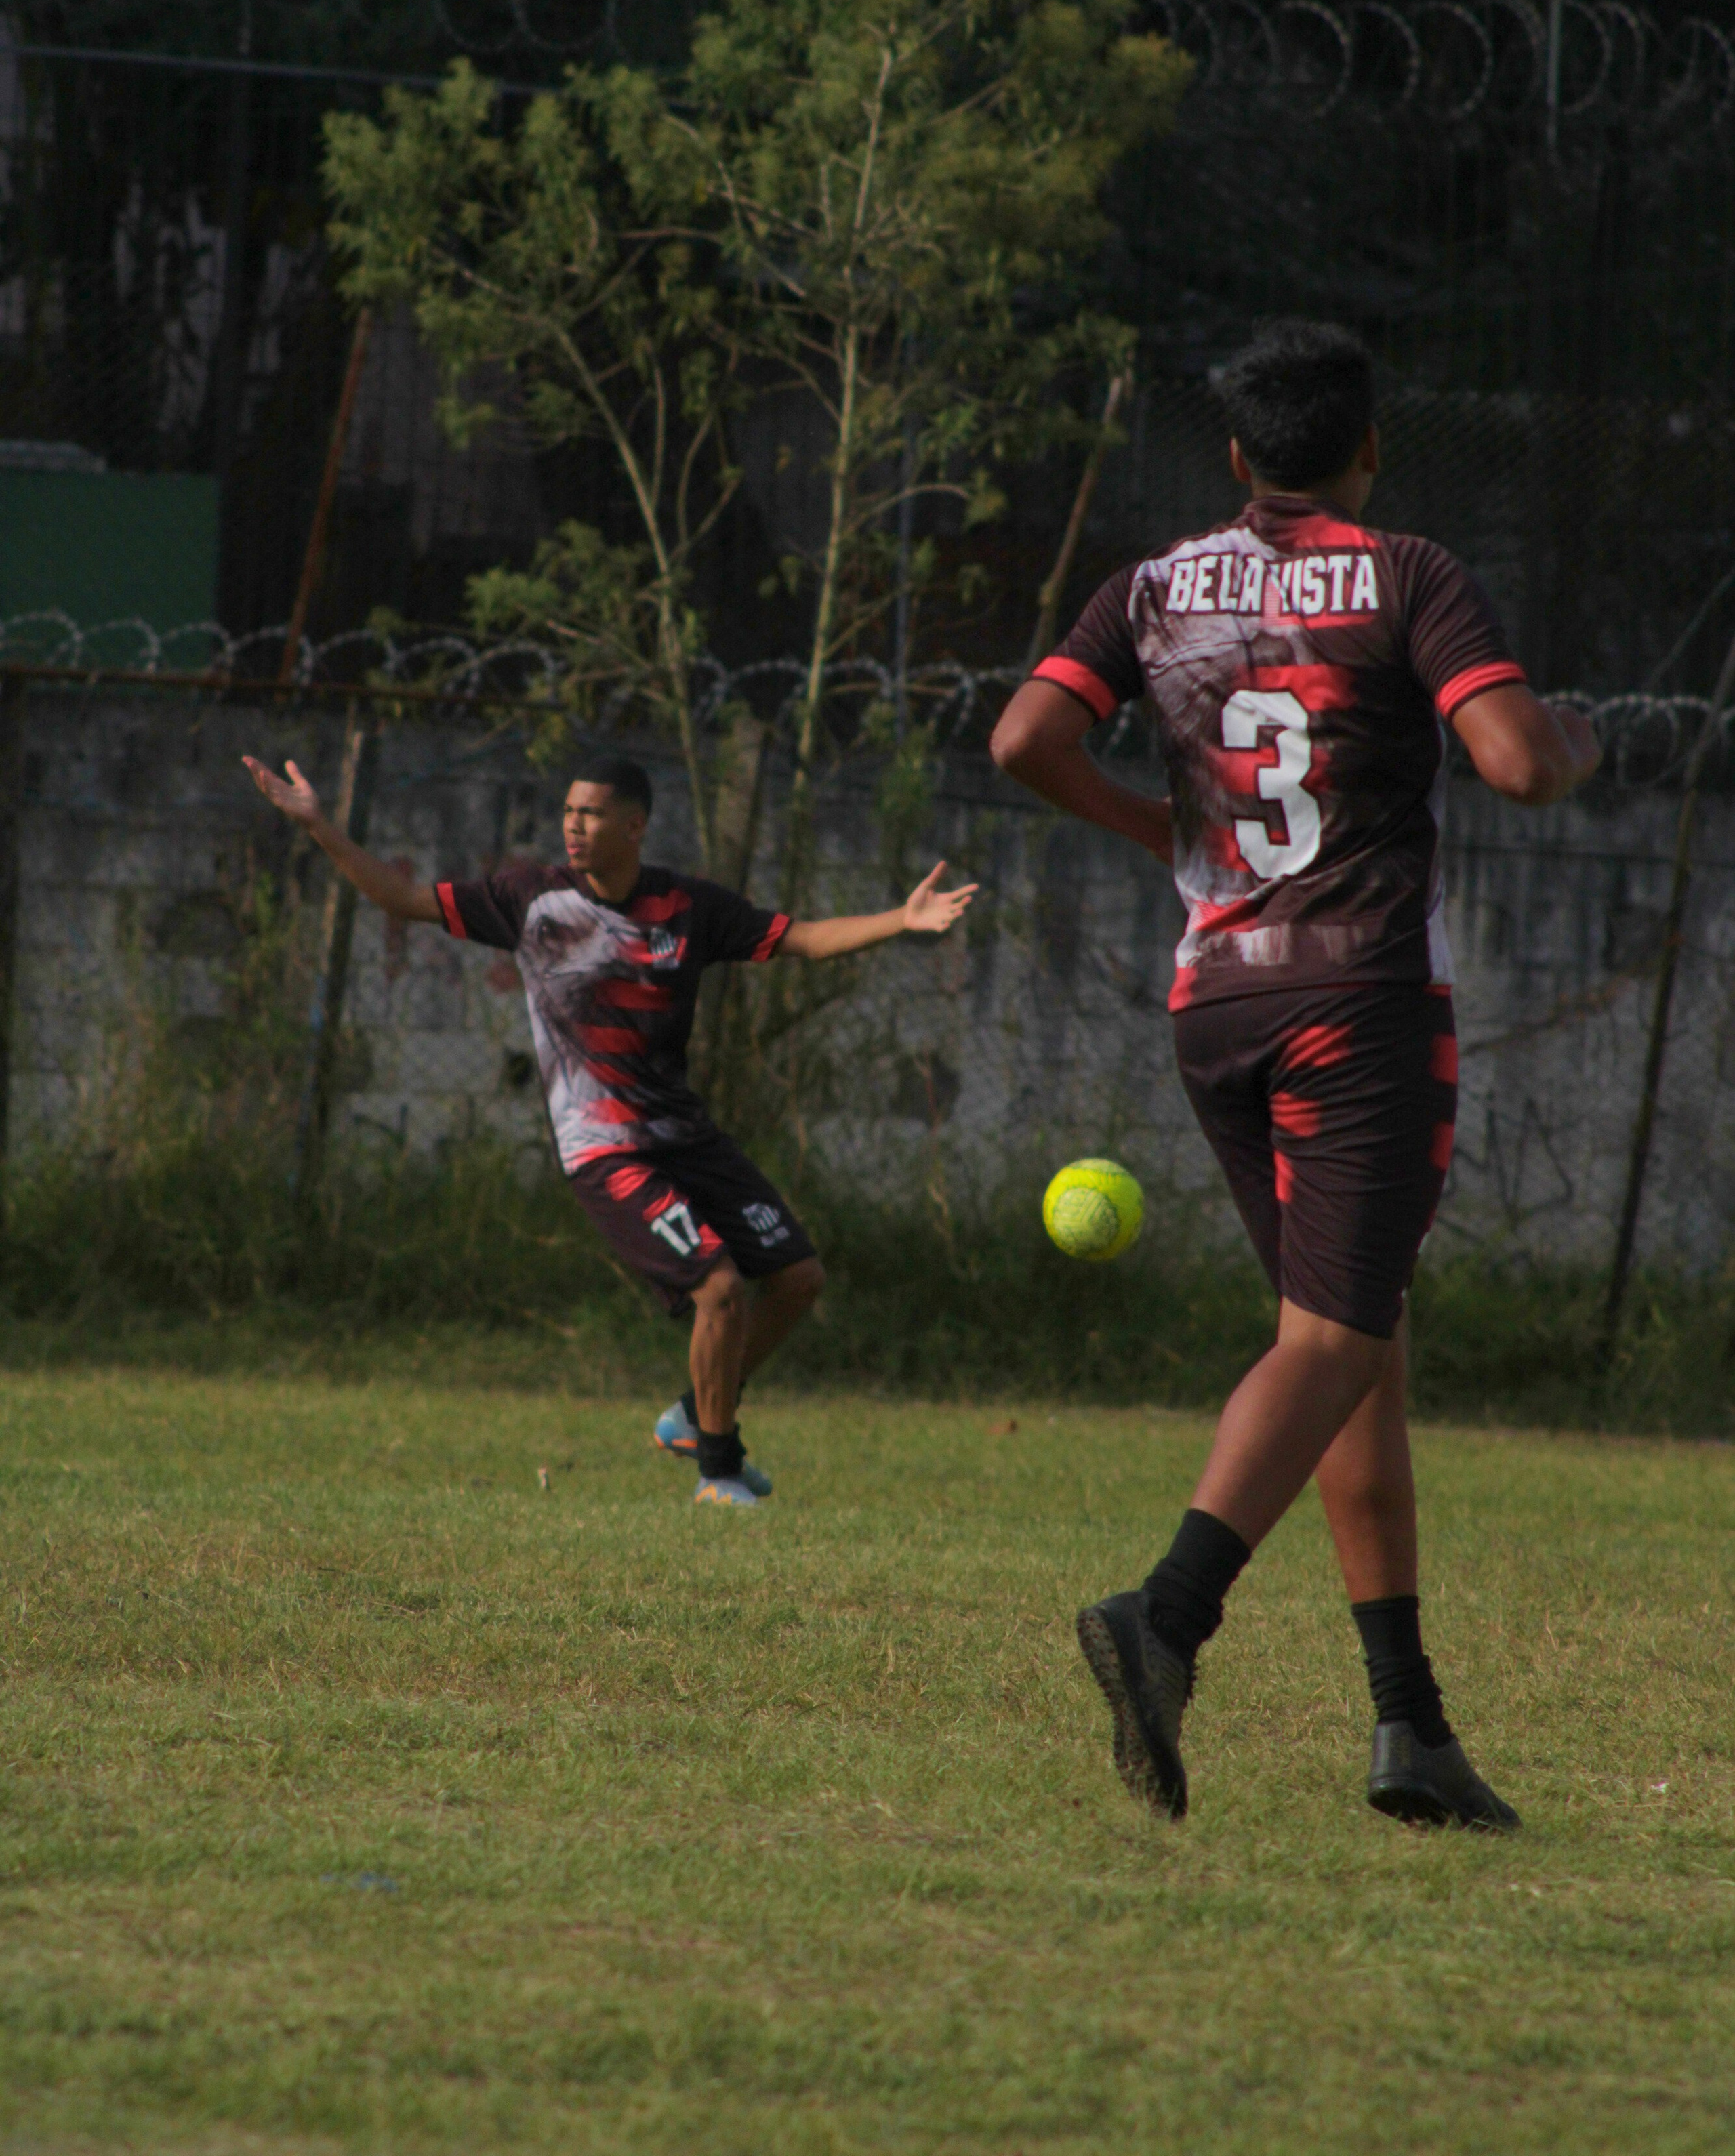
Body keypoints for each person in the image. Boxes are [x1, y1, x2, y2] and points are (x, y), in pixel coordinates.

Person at [990, 320, 1600, 1831]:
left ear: (1234, 458)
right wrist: (1576, 739)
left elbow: (1022, 738)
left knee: (1351, 1346)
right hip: (1359, 1001)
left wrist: (1152, 829)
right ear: (1369, 447)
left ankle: (1410, 1730)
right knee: (1330, 1345)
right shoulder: (1404, 573)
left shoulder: (1153, 586)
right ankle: (1166, 1618)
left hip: (1215, 1007)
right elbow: (1516, 760)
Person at [243, 745, 975, 1505]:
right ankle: (719, 1474)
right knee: (719, 1288)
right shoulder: (530, 899)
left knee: (797, 1279)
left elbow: (804, 939)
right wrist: (319, 824)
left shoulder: (689, 909)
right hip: (605, 1148)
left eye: (590, 814)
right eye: (567, 812)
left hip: (686, 1137)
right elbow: (401, 898)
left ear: (634, 826)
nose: (573, 826)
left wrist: (903, 918)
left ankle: (696, 1414)